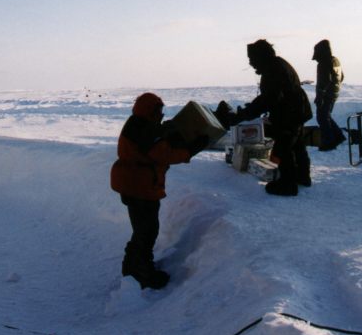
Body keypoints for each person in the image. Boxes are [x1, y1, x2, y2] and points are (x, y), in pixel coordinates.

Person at [111, 92, 209, 290]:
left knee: (142, 230)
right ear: (150, 111)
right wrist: (192, 149)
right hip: (139, 187)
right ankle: (143, 274)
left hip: (134, 185)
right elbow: (164, 154)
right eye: (159, 111)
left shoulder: (138, 123)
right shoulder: (144, 129)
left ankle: (132, 268)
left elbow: (157, 139)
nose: (161, 114)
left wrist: (167, 130)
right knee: (146, 232)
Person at [230, 39, 313, 196]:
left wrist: (246, 114)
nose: (251, 63)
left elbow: (269, 98)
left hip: (289, 112)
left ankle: (288, 185)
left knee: (284, 146)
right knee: (297, 144)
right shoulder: (278, 64)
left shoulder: (272, 70)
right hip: (297, 109)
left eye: (252, 59)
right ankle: (302, 176)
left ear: (261, 57)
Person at [312, 39, 346, 151]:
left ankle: (329, 141)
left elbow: (324, 80)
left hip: (326, 95)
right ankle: (338, 136)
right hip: (334, 93)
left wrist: (320, 96)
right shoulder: (336, 60)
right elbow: (341, 76)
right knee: (326, 116)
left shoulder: (323, 63)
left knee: (322, 117)